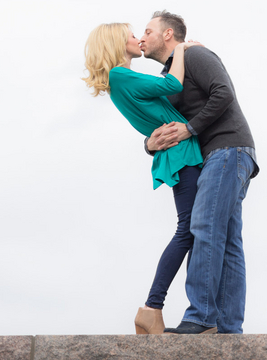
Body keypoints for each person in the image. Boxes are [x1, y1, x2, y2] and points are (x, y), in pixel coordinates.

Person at [139, 10, 258, 335]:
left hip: (228, 149)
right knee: (229, 240)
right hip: (219, 156)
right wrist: (149, 146)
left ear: (168, 34)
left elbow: (223, 93)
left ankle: (201, 317)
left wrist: (190, 129)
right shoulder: (170, 77)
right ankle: (228, 327)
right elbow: (162, 126)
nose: (142, 37)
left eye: (148, 31)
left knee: (203, 225)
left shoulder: (197, 55)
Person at [81, 23, 205, 335]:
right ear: (116, 43)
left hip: (175, 152)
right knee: (188, 228)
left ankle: (159, 308)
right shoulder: (120, 75)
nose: (138, 39)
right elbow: (173, 83)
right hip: (182, 152)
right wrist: (181, 48)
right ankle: (153, 306)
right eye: (132, 35)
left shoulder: (119, 80)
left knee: (191, 228)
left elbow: (163, 88)